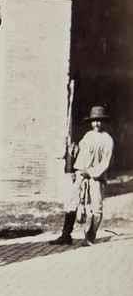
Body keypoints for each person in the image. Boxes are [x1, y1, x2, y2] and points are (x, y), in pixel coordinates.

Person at [49, 105, 114, 246]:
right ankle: (66, 235)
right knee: (72, 203)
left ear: (104, 122)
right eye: (94, 121)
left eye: (100, 121)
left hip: (96, 178)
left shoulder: (107, 140)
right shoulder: (88, 136)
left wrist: (90, 172)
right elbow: (82, 155)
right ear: (90, 122)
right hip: (81, 176)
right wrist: (75, 168)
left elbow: (105, 162)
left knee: (96, 208)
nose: (97, 124)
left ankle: (89, 237)